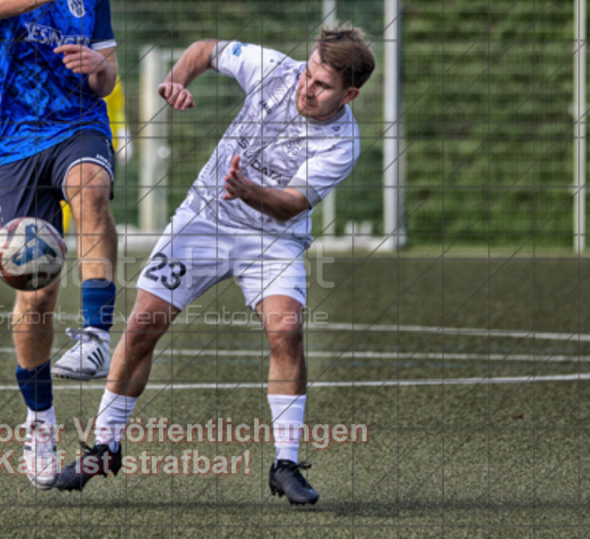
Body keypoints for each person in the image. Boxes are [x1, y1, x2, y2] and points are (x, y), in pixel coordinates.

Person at [56, 26, 376, 505]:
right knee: (143, 323)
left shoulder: (342, 143)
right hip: (204, 219)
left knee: (286, 330)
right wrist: (177, 78)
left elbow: (290, 204)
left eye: (322, 86)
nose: (306, 88)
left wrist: (249, 191)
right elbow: (206, 51)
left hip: (273, 237)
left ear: (348, 94)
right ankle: (104, 445)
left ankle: (284, 464)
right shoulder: (276, 72)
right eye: (308, 73)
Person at [0, 0, 119, 489]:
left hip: (78, 126)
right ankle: (39, 420)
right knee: (34, 294)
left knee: (90, 189)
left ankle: (95, 336)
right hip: (14, 144)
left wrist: (98, 70)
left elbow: (110, 75)